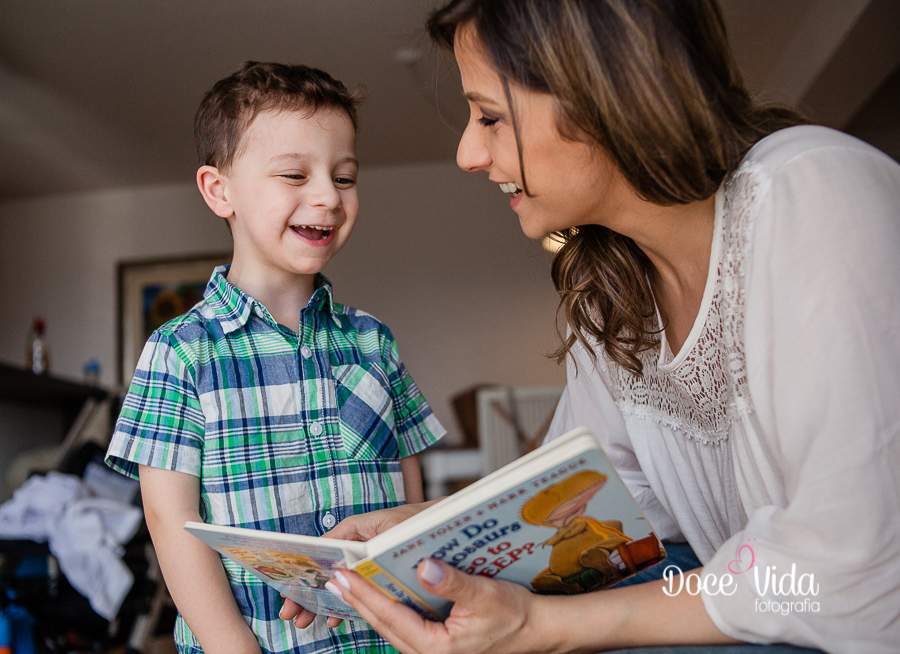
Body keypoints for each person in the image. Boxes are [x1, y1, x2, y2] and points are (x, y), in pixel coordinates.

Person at [280, 1, 900, 652]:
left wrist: (542, 628)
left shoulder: (812, 195)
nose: (467, 151)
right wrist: (412, 532)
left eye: (489, 115)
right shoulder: (612, 291)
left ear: (605, 92)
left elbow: (858, 577)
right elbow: (596, 488)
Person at [105, 61, 445, 654]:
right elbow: (169, 521)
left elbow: (409, 496)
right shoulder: (181, 351)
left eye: (344, 177)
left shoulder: (374, 341)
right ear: (220, 190)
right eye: (294, 174)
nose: (326, 197)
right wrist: (231, 645)